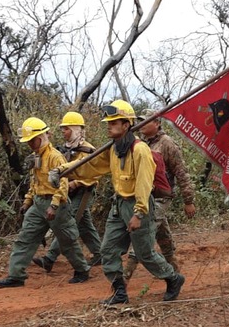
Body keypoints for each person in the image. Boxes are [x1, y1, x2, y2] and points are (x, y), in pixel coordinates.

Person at [53, 100, 185, 306]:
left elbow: (144, 183)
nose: (109, 126)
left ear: (126, 125)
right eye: (109, 122)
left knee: (145, 254)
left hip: (138, 205)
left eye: (114, 123)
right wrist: (63, 170)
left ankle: (173, 278)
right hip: (119, 205)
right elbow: (91, 166)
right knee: (108, 250)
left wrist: (139, 213)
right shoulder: (113, 149)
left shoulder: (140, 150)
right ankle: (119, 292)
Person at [0, 117, 90, 288]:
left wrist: (54, 205)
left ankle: (82, 270)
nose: (30, 144)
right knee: (25, 238)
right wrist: (27, 201)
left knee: (67, 239)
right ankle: (16, 275)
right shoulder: (35, 157)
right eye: (28, 141)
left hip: (56, 204)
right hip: (38, 203)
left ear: (43, 137)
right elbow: (34, 182)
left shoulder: (55, 157)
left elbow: (63, 184)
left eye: (33, 140)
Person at [123, 109, 197, 277]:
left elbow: (181, 172)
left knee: (144, 230)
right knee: (161, 230)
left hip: (162, 196)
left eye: (145, 121)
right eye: (139, 121)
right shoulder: (139, 144)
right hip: (145, 196)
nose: (141, 124)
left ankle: (125, 277)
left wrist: (188, 200)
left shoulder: (167, 143)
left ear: (157, 123)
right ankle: (174, 267)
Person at [33, 112, 102, 272]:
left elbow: (96, 173)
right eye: (62, 129)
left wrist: (76, 183)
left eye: (66, 129)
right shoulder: (65, 149)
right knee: (84, 224)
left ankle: (49, 259)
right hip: (69, 191)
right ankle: (99, 254)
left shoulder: (89, 149)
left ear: (75, 129)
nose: (63, 132)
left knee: (67, 222)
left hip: (83, 191)